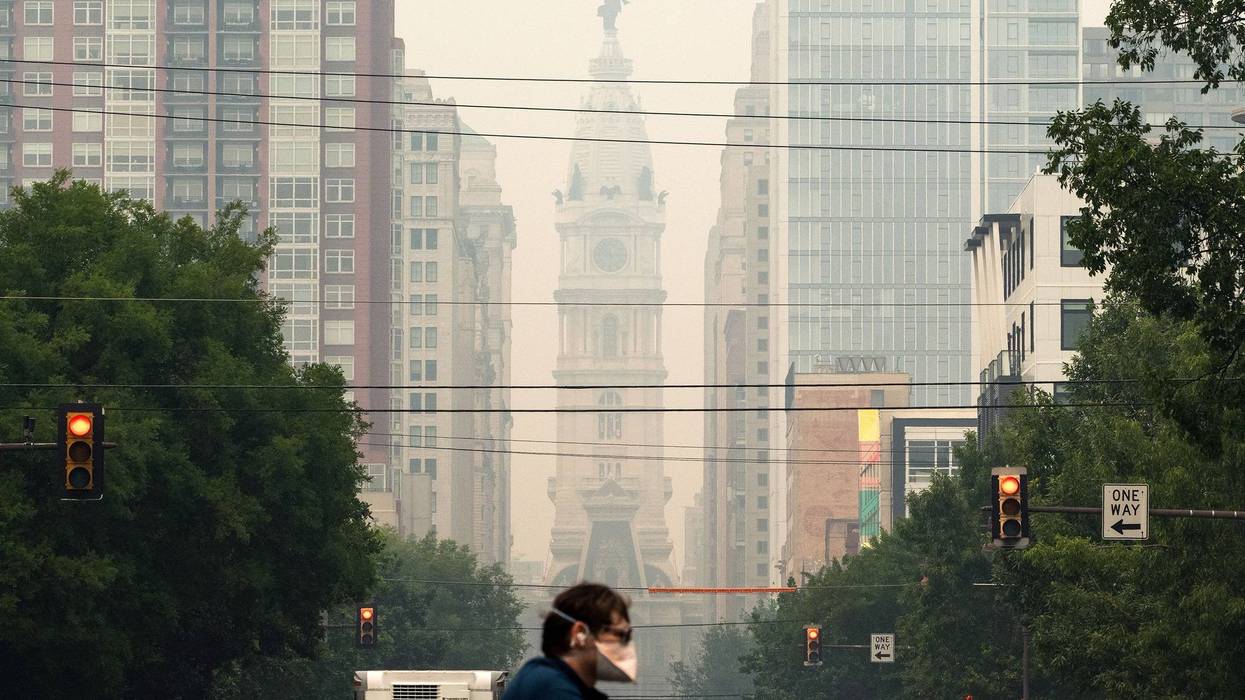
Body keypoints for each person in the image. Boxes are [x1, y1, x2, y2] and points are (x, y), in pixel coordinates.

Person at [503, 582, 637, 700]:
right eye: (621, 634)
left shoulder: (554, 681)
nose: (628, 644)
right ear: (579, 634)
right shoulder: (550, 687)